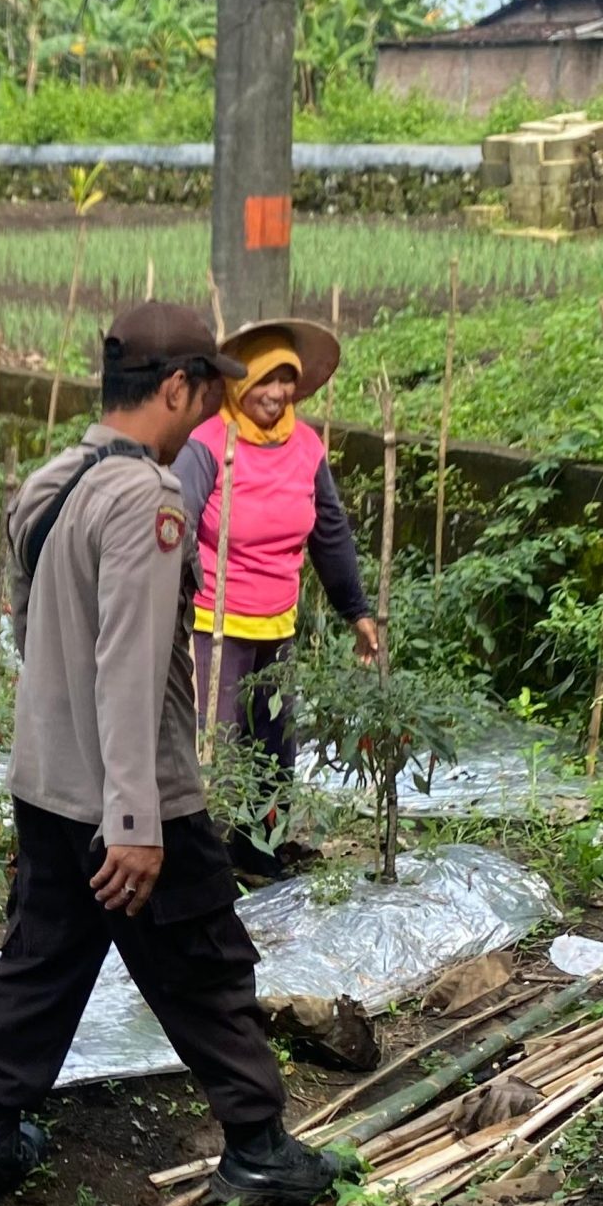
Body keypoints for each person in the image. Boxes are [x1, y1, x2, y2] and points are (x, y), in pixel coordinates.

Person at [0, 302, 358, 1206]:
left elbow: (28, 628)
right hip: (135, 793)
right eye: (206, 395)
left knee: (41, 959)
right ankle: (256, 1144)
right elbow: (128, 665)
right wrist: (134, 818)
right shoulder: (147, 500)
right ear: (176, 388)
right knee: (204, 960)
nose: (210, 416)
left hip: (46, 783)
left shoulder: (48, 483)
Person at [174, 321, 383, 870]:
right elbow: (173, 524)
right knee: (211, 746)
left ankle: (262, 856)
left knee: (274, 749)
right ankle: (202, 863)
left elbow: (330, 533)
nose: (276, 393)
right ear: (241, 386)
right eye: (266, 379)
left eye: (287, 380)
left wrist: (355, 612)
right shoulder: (208, 444)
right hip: (213, 629)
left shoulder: (306, 446)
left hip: (277, 628)